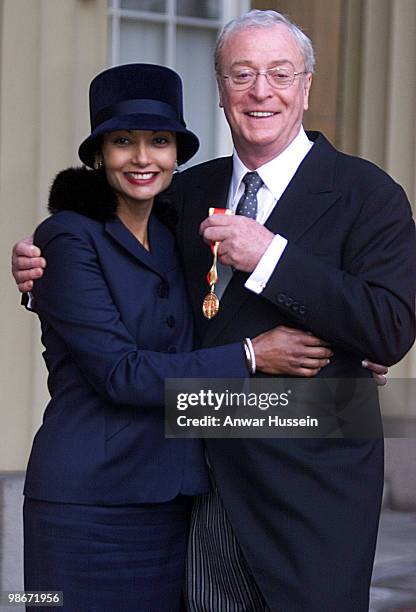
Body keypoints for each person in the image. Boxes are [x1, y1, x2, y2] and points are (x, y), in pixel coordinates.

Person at [11, 9, 408, 611]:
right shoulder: (187, 191)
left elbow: (389, 329)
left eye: (279, 72)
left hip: (312, 492)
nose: (260, 91)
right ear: (220, 91)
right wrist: (41, 270)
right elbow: (121, 268)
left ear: (306, 85)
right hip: (195, 479)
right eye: (241, 74)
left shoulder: (367, 193)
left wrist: (270, 256)